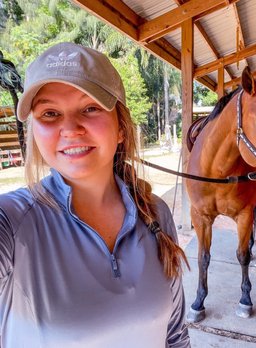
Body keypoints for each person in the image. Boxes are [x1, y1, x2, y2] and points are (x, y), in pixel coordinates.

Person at [0, 42, 191, 348]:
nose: (70, 128)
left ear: (121, 128)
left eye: (90, 108)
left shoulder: (155, 213)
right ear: (34, 131)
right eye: (50, 113)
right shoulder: (12, 221)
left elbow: (175, 335)